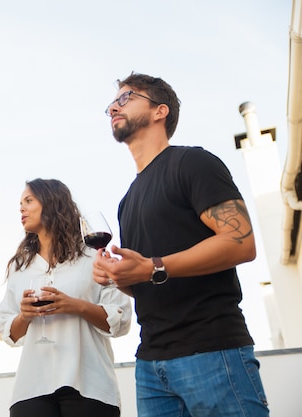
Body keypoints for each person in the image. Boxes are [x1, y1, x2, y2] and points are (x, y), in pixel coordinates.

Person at [93, 72, 270, 416]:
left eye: (127, 97)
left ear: (160, 111)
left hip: (213, 354)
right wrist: (122, 276)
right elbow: (151, 280)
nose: (114, 106)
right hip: (151, 367)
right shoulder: (127, 201)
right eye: (112, 103)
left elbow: (241, 243)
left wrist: (153, 266)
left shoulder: (192, 163)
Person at [0, 178, 132, 417]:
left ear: (52, 203)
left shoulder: (93, 256)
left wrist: (75, 306)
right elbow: (9, 332)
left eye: (29, 200)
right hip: (32, 388)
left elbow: (120, 320)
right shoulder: (20, 267)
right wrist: (25, 316)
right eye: (20, 203)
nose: (21, 208)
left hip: (89, 385)